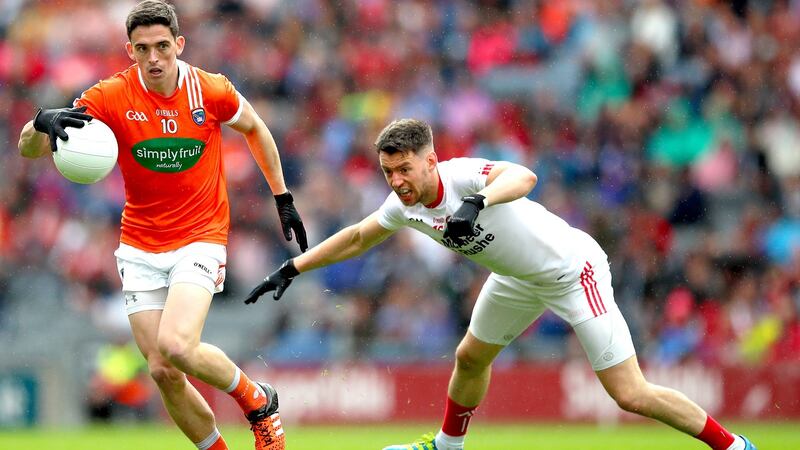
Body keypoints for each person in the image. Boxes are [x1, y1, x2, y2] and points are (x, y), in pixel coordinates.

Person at [245, 118, 756, 450]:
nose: (397, 181)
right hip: (516, 280)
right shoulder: (401, 204)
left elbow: (524, 176)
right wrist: (293, 268)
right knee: (469, 357)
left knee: (629, 393)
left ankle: (734, 446)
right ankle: (447, 448)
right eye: (387, 172)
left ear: (430, 160)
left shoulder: (465, 176)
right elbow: (357, 237)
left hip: (573, 272)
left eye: (404, 169)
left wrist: (478, 202)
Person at [18, 2, 306, 450]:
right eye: (142, 48)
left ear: (179, 45)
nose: (154, 58)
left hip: (200, 236)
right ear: (129, 51)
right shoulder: (110, 95)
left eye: (162, 47)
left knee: (175, 344)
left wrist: (282, 196)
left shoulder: (210, 89)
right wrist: (41, 123)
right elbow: (29, 150)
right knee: (162, 370)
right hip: (139, 244)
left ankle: (258, 400)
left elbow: (256, 128)